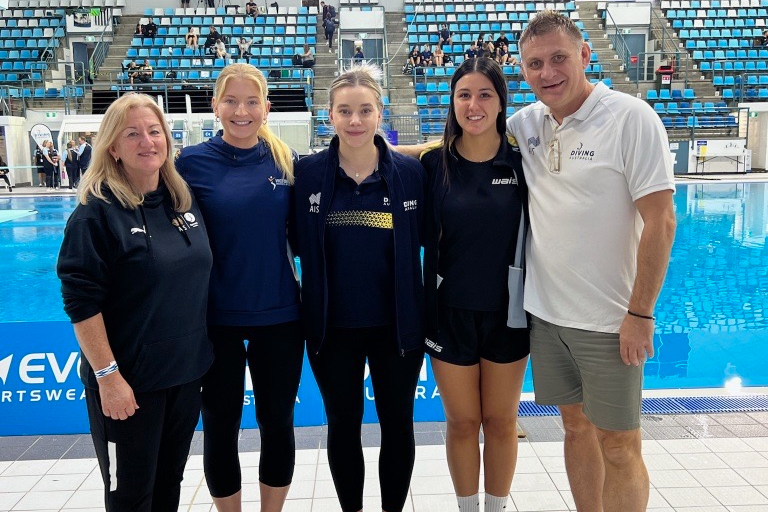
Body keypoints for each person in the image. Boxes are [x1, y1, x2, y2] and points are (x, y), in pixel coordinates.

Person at [506, 11, 676, 511]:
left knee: (620, 444)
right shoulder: (526, 123)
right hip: (546, 316)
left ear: (585, 55)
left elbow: (662, 221)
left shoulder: (630, 117)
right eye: (535, 63)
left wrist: (640, 313)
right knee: (575, 427)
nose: (548, 72)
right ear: (523, 70)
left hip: (610, 322)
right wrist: (372, 151)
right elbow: (455, 148)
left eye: (559, 58)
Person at [56, 93, 213, 511]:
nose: (147, 141)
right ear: (113, 147)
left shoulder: (182, 201)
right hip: (128, 386)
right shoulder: (96, 214)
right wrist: (108, 377)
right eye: (133, 134)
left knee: (167, 487)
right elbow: (80, 301)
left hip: (183, 378)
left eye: (154, 130)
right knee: (130, 496)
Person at [292, 64, 426, 512]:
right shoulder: (307, 175)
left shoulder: (409, 174)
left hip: (397, 328)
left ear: (379, 113)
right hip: (333, 330)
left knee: (398, 426)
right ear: (328, 114)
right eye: (345, 111)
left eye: (365, 110)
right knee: (343, 427)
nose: (355, 120)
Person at [175, 63, 304, 512]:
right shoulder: (190, 163)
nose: (241, 111)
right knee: (220, 425)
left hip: (280, 315)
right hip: (215, 320)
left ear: (267, 108)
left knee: (277, 422)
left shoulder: (286, 161)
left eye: (252, 102)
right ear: (215, 105)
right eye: (231, 101)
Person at [419, 56, 529, 512]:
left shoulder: (524, 164)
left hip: (509, 314)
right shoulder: (432, 166)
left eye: (485, 94)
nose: (474, 104)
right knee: (462, 423)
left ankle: (497, 507)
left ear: (502, 102)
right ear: (452, 102)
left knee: (501, 421)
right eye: (464, 94)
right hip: (448, 315)